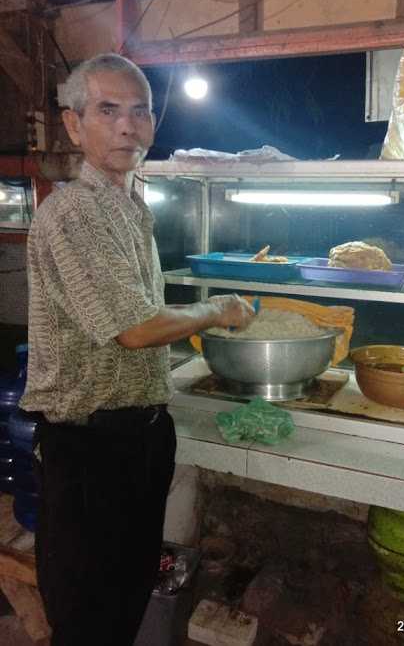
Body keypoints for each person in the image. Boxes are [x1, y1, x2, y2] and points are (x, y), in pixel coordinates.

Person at [19, 52, 254, 646]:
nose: (129, 126)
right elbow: (135, 328)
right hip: (90, 447)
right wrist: (215, 309)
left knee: (125, 598)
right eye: (108, 110)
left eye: (141, 111)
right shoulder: (72, 210)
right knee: (87, 613)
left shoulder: (131, 208)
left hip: (141, 437)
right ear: (74, 125)